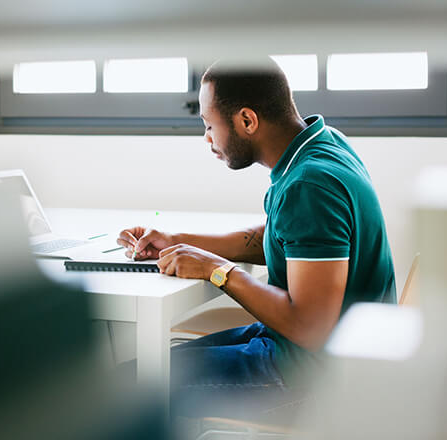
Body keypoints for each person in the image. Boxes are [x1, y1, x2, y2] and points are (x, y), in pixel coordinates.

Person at [116, 58, 396, 421]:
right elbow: (284, 238)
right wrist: (177, 240)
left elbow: (310, 327)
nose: (207, 138)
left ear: (247, 121)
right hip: (310, 351)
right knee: (143, 369)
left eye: (209, 124)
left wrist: (219, 271)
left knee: (130, 388)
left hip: (314, 377)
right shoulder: (323, 146)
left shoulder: (309, 184)